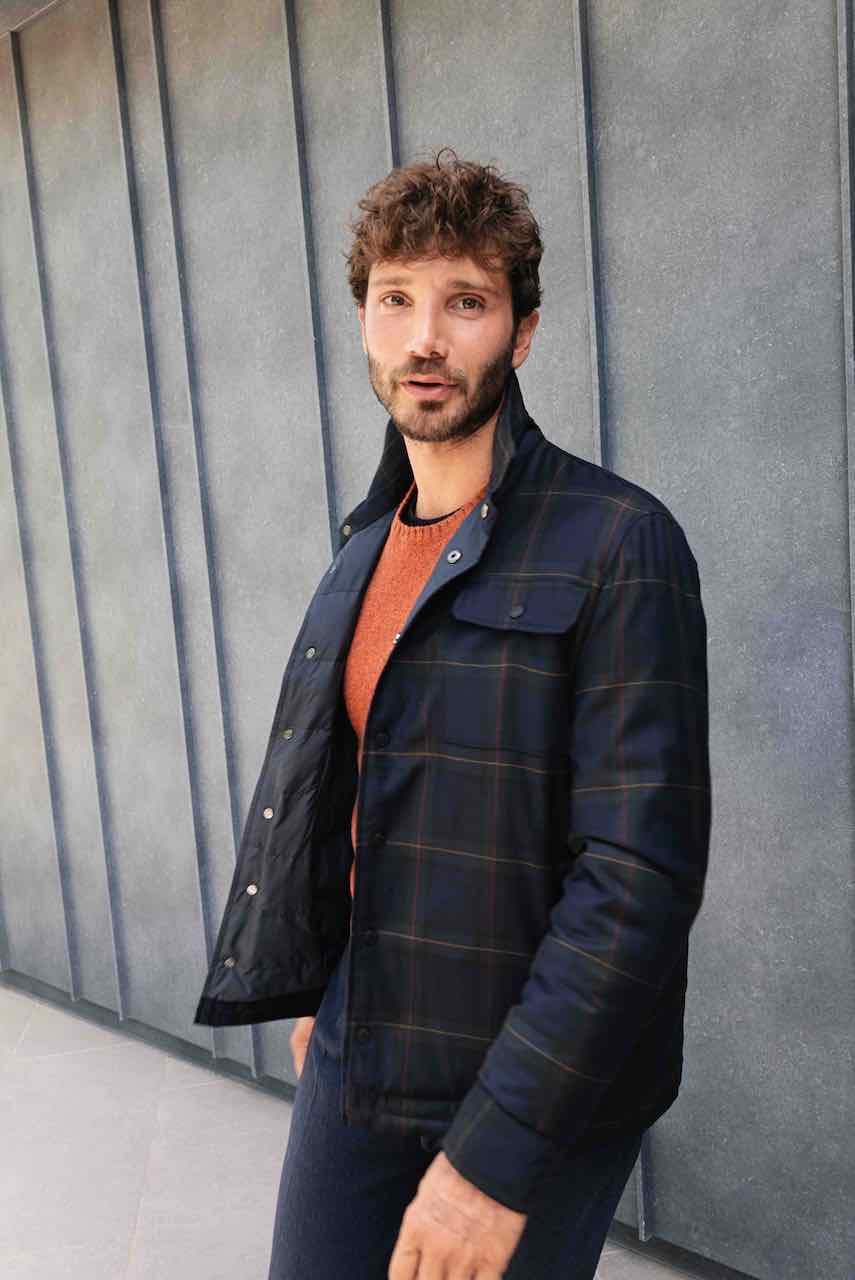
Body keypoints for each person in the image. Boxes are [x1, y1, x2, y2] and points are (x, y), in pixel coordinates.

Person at [193, 147, 712, 1280]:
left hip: (535, 1083)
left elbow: (636, 879)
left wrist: (494, 1159)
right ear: (364, 321)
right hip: (363, 1035)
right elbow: (358, 787)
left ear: (520, 333)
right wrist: (327, 976)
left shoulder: (619, 543)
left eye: (465, 302)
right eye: (397, 299)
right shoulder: (363, 550)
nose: (425, 337)